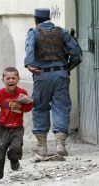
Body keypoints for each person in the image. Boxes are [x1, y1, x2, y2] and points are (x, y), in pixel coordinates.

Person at [24, 8, 82, 157]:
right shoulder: (62, 32)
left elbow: (30, 48)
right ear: (49, 18)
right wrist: (67, 67)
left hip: (41, 74)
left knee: (40, 107)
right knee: (61, 107)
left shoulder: (34, 33)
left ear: (36, 20)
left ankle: (42, 146)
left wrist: (29, 65)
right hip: (61, 74)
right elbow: (76, 52)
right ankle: (60, 144)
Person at [0, 67, 33, 185]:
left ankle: (14, 159)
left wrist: (21, 107)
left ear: (18, 79)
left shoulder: (22, 92)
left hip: (17, 128)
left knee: (16, 148)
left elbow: (29, 107)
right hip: (2, 128)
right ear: (3, 80)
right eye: (8, 78)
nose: (11, 80)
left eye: (13, 78)